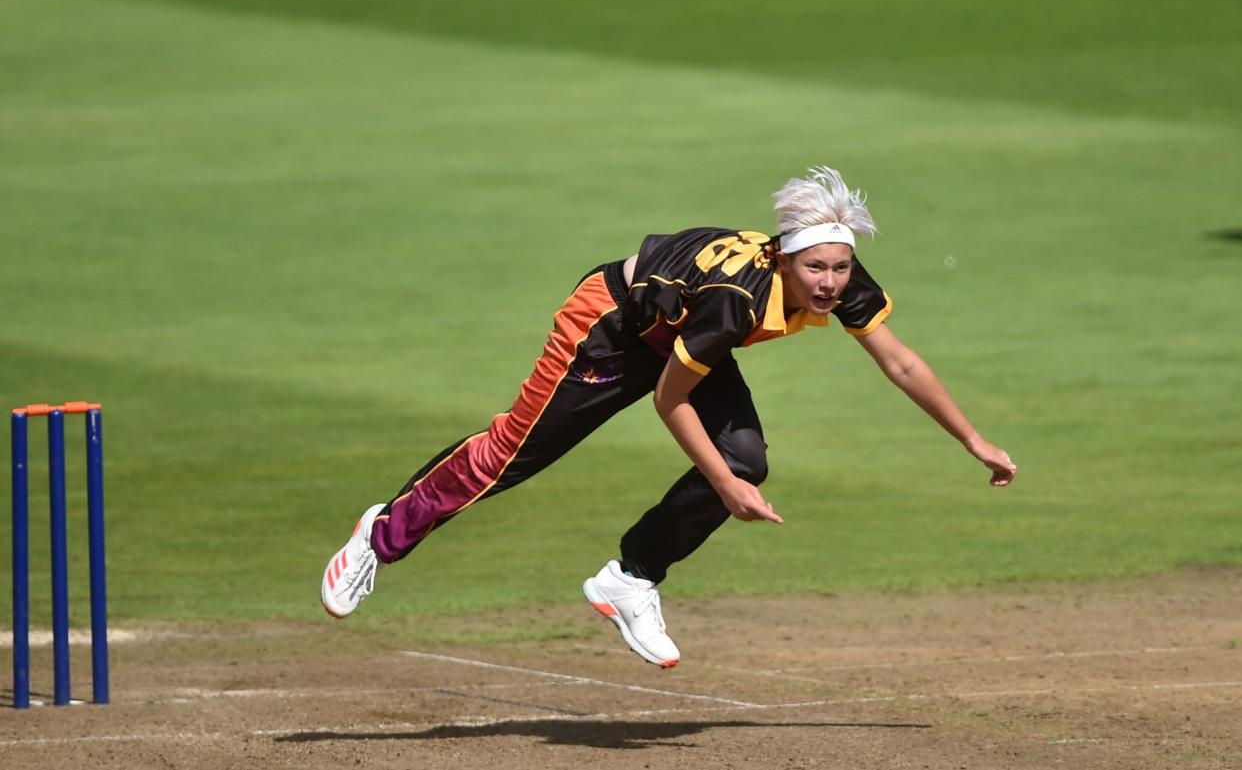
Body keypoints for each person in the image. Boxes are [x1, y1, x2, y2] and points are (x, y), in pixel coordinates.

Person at [320, 166, 1017, 668]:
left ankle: (630, 577)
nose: (830, 282)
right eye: (816, 269)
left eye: (839, 267)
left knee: (747, 458)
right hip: (614, 326)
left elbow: (899, 362)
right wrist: (723, 488)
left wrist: (973, 439)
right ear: (784, 258)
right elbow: (670, 399)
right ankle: (378, 537)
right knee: (512, 453)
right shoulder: (736, 301)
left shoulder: (839, 282)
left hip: (681, 338)